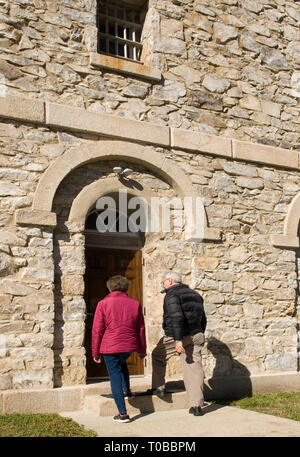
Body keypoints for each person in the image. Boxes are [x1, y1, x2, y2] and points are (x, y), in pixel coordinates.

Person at [148, 271, 206, 416]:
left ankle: (159, 387)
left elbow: (176, 317)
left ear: (170, 281)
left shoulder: (171, 294)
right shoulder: (195, 294)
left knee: (157, 355)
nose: (163, 284)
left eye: (163, 282)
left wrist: (178, 340)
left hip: (178, 335)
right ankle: (197, 406)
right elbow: (203, 318)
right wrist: (200, 332)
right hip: (196, 334)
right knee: (193, 368)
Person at [92, 275, 146, 423]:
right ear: (125, 287)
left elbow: (97, 329)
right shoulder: (135, 303)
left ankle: (122, 414)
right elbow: (141, 328)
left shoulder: (103, 303)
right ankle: (126, 390)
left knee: (114, 375)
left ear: (109, 287)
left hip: (110, 346)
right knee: (122, 363)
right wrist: (142, 349)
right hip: (129, 345)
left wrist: (95, 352)